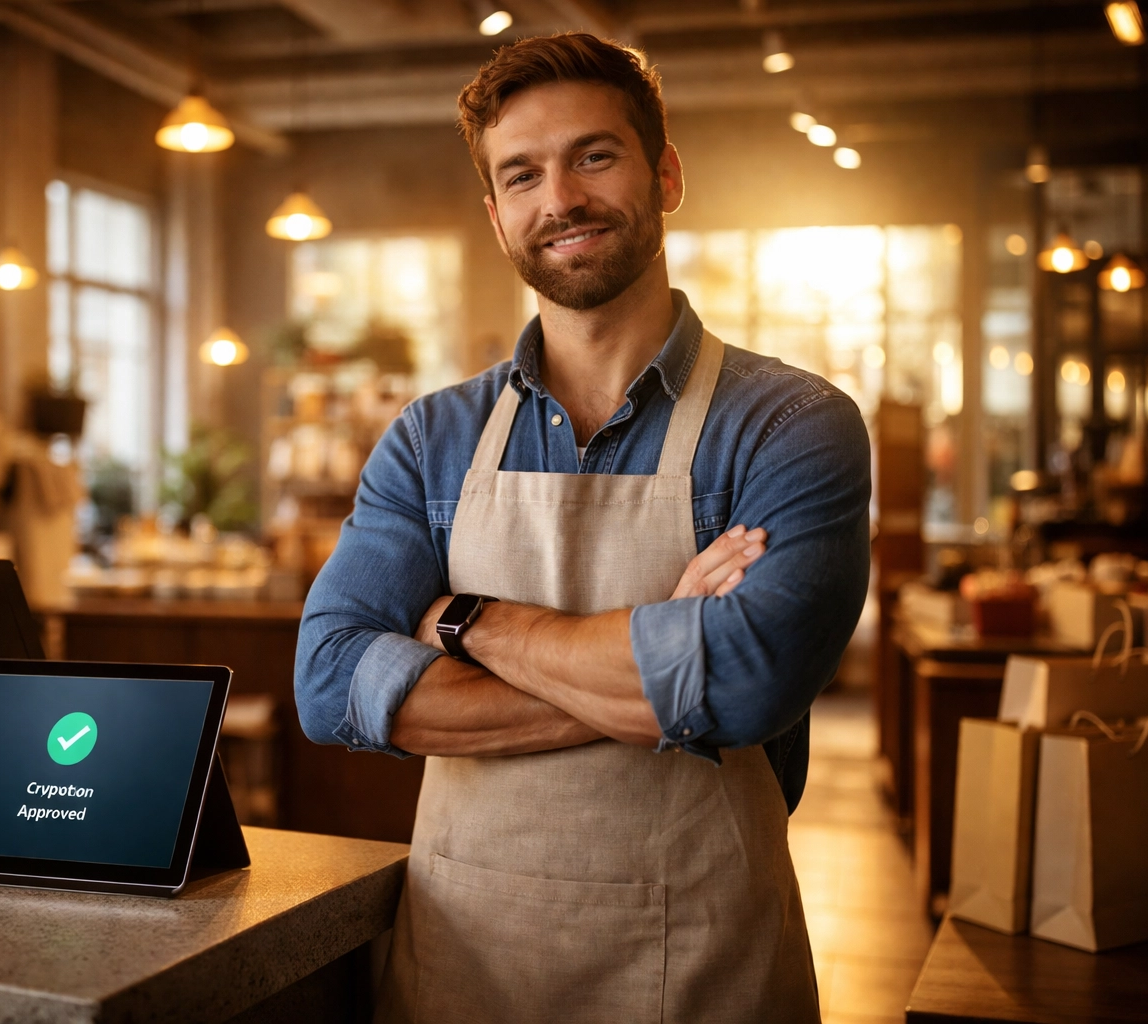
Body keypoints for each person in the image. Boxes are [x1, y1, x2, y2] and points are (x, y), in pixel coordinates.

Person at [295, 32, 870, 1022]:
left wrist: (467, 621)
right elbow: (328, 678)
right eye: (523, 174)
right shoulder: (432, 438)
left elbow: (746, 681)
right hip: (462, 961)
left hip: (707, 963)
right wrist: (661, 660)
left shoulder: (790, 425)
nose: (559, 198)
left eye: (592, 156)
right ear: (496, 213)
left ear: (667, 174)